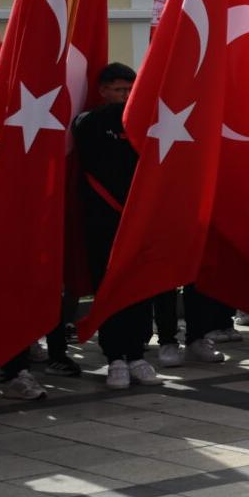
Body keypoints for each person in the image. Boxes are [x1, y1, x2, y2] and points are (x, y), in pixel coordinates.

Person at [69, 62, 165, 390]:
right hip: (104, 222)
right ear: (103, 91)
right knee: (108, 289)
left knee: (139, 288)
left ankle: (137, 353)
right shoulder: (89, 121)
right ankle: (115, 358)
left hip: (139, 220)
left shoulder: (145, 122)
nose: (126, 97)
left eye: (130, 90)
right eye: (119, 90)